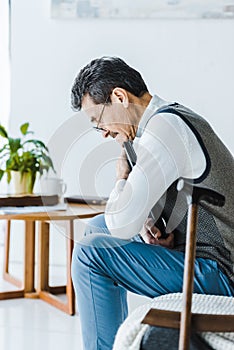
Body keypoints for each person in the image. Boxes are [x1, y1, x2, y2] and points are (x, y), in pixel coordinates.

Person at [71, 56, 234, 350]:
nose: (103, 132)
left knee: (89, 254)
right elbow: (133, 216)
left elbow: (121, 225)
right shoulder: (164, 122)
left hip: (222, 274)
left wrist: (121, 176)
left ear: (119, 97)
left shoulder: (166, 129)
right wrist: (151, 225)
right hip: (205, 259)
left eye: (98, 121)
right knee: (96, 228)